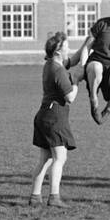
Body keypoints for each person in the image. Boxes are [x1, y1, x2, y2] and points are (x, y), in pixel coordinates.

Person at [29, 31, 78, 208]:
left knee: (45, 158)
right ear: (58, 51)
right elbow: (70, 97)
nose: (69, 49)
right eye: (66, 46)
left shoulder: (50, 65)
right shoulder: (58, 70)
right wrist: (76, 83)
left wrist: (88, 43)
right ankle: (54, 197)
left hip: (43, 116)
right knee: (60, 157)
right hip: (54, 118)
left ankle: (35, 197)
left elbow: (72, 61)